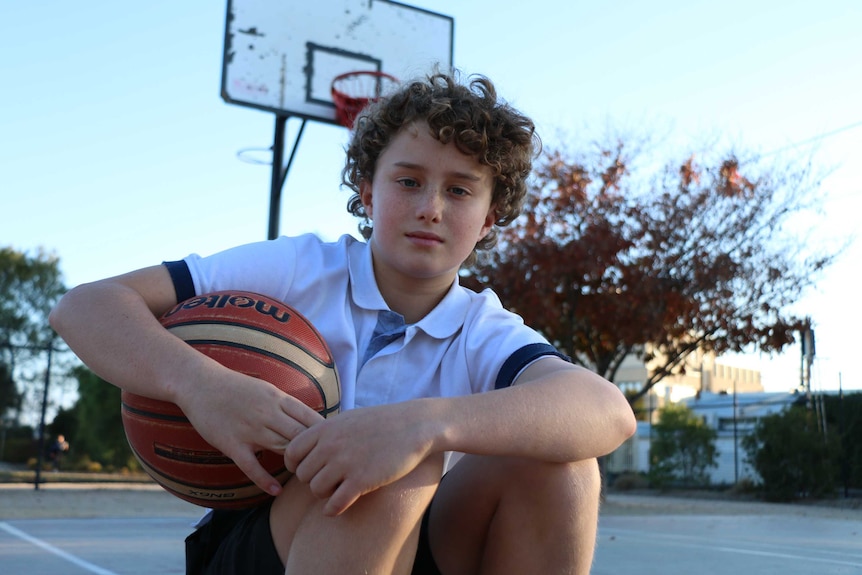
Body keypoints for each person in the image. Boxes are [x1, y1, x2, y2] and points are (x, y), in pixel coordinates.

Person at [49, 71, 637, 575]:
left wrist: (424, 425)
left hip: (415, 540)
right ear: (367, 191)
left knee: (562, 471)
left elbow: (607, 411)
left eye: (459, 191)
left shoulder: (480, 326)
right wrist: (200, 384)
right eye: (408, 181)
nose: (431, 206)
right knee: (381, 470)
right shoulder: (302, 268)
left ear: (488, 221)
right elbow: (85, 306)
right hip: (265, 535)